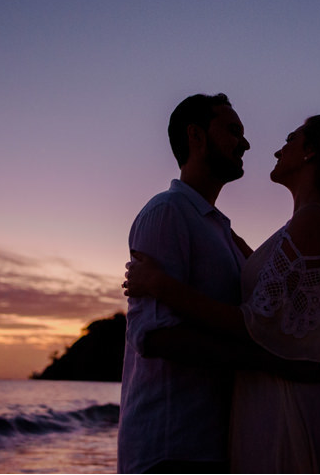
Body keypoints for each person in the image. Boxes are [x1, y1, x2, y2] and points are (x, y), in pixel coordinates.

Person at [125, 115, 320, 473]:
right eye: (234, 131)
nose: (277, 147)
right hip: (273, 400)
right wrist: (213, 224)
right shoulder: (301, 224)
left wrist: (161, 285)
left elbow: (253, 324)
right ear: (196, 136)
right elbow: (261, 274)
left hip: (289, 403)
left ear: (311, 152)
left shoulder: (314, 221)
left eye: (291, 138)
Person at [117, 93, 250, 474]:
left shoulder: (220, 229)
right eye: (233, 130)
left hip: (211, 446)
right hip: (170, 448)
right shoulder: (166, 213)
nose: (245, 143)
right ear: (196, 135)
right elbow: (154, 336)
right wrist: (260, 359)